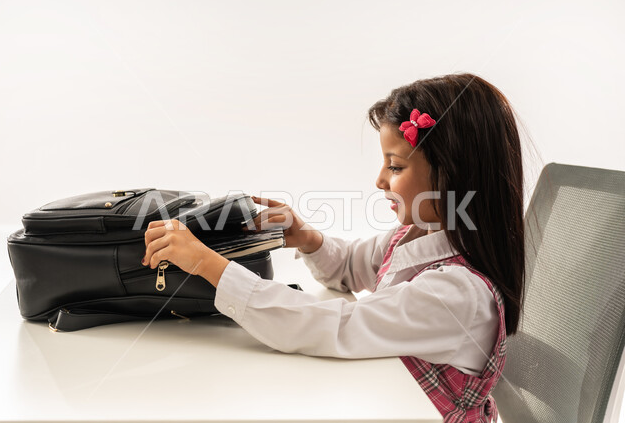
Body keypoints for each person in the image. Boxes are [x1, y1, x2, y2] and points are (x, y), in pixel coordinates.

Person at [141, 73, 525, 422]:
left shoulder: (457, 296)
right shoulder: (417, 236)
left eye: (395, 166)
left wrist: (209, 264)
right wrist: (309, 240)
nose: (379, 180)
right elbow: (352, 266)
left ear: (450, 175)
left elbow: (334, 325)